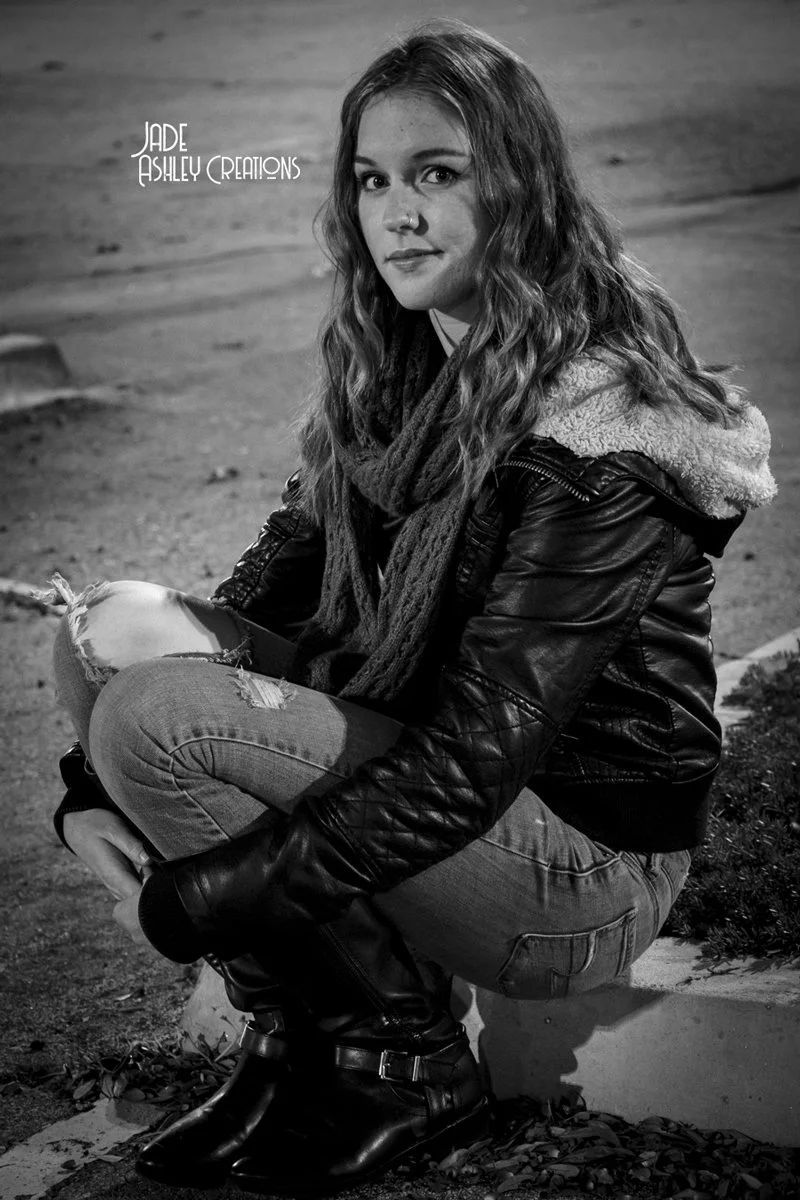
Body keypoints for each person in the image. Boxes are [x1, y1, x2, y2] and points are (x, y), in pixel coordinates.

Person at [49, 18, 776, 1198]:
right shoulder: (398, 365)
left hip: (574, 864)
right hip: (445, 796)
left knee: (158, 719)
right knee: (104, 638)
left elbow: (474, 756)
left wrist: (202, 898)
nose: (397, 212)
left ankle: (403, 1064)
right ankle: (302, 1039)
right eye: (373, 179)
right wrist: (90, 800)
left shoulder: (602, 420)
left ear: (519, 187)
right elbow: (267, 585)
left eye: (437, 175)